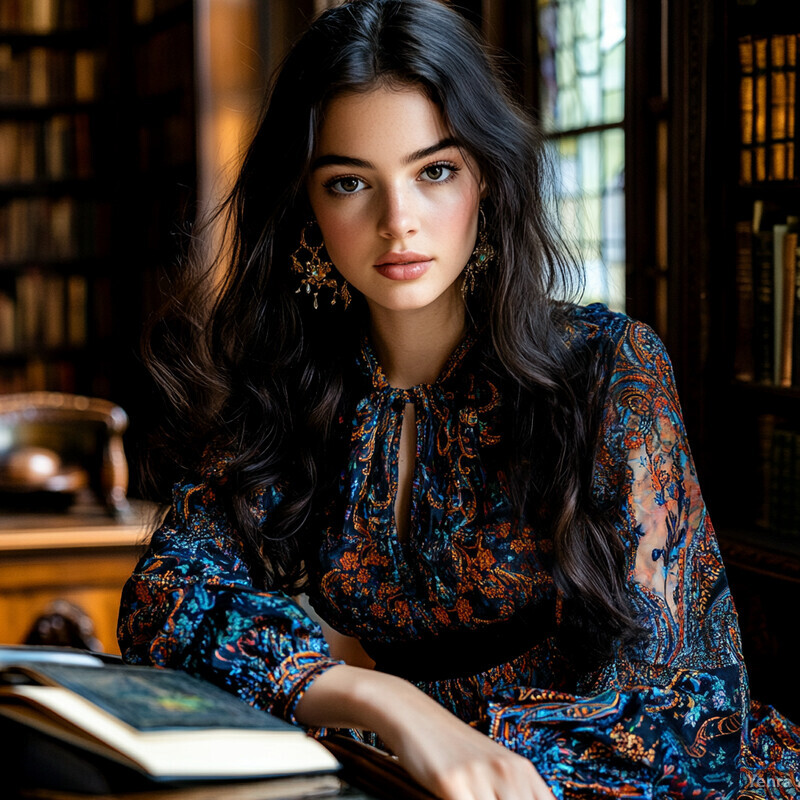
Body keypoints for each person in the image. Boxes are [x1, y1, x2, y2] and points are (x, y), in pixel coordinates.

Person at [117, 1, 800, 797]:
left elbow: (688, 715)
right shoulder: (298, 387)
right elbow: (166, 596)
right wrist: (383, 702)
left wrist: (454, 744)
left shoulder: (606, 371)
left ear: (485, 176)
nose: (397, 223)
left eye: (433, 171)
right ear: (308, 207)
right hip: (413, 778)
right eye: (349, 183)